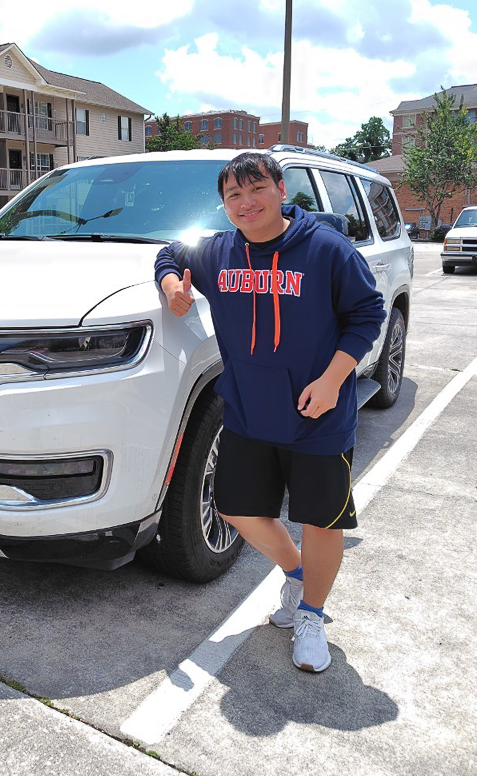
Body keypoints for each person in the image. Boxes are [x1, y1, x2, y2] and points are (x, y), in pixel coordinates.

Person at [154, 153, 385, 672]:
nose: (246, 202)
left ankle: (311, 614)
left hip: (317, 412)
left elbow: (367, 313)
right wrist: (172, 287)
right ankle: (300, 575)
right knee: (234, 508)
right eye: (233, 195)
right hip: (247, 408)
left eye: (256, 188)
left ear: (281, 188)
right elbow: (169, 254)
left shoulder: (326, 249)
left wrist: (332, 380)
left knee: (321, 520)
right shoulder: (219, 252)